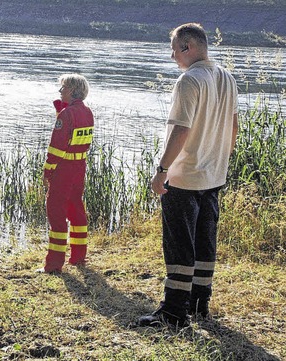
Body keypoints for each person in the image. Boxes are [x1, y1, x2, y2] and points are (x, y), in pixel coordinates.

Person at [137, 23, 238, 328]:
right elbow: (233, 127)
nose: (172, 56)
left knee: (180, 242)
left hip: (184, 176)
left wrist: (162, 170)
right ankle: (199, 304)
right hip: (213, 174)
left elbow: (181, 130)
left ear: (187, 47)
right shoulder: (227, 78)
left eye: (174, 49)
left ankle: (173, 312)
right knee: (205, 240)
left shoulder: (189, 81)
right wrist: (220, 159)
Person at [40, 74, 94, 273]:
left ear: (71, 90)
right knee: (76, 209)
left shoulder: (66, 115)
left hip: (64, 168)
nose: (60, 92)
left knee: (56, 211)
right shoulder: (87, 112)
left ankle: (54, 264)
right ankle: (79, 256)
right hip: (79, 166)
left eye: (62, 88)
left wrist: (48, 170)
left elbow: (57, 147)